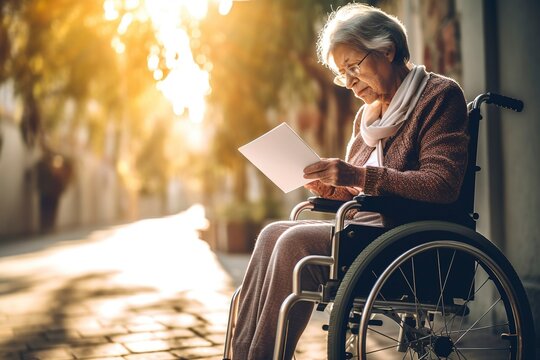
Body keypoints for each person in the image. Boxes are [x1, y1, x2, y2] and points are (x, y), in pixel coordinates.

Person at [231, 3, 468, 359]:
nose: (350, 82)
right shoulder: (368, 117)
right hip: (363, 234)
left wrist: (357, 176)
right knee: (270, 234)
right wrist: (332, 189)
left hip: (406, 242)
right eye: (343, 74)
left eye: (353, 66)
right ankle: (241, 353)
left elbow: (441, 183)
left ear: (387, 49)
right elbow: (359, 191)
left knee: (294, 242)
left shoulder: (439, 97)